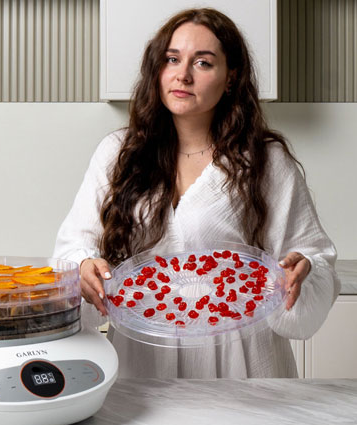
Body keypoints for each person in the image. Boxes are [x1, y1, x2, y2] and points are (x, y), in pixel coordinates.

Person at [53, 8, 340, 378]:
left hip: (242, 355)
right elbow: (73, 247)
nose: (183, 75)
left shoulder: (266, 160)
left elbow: (313, 257)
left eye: (203, 63)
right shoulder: (118, 153)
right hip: (144, 354)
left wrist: (303, 268)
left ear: (231, 77)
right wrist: (84, 267)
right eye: (172, 59)